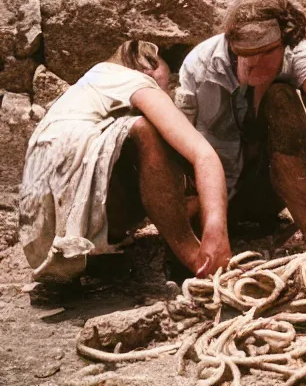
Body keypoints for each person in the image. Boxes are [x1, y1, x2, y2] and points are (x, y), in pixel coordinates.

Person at [19, 40, 231, 284]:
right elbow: (202, 153)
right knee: (149, 130)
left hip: (39, 234)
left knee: (166, 165)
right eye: (163, 83)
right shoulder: (129, 78)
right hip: (66, 216)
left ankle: (102, 257)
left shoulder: (84, 91)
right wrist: (217, 227)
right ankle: (198, 261)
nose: (163, 93)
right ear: (146, 63)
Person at [177, 0, 306, 247]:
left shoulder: (295, 53)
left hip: (266, 190)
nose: (253, 62)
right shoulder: (201, 65)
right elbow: (179, 139)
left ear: (283, 44)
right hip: (212, 194)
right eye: (244, 53)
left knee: (281, 97)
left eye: (266, 51)